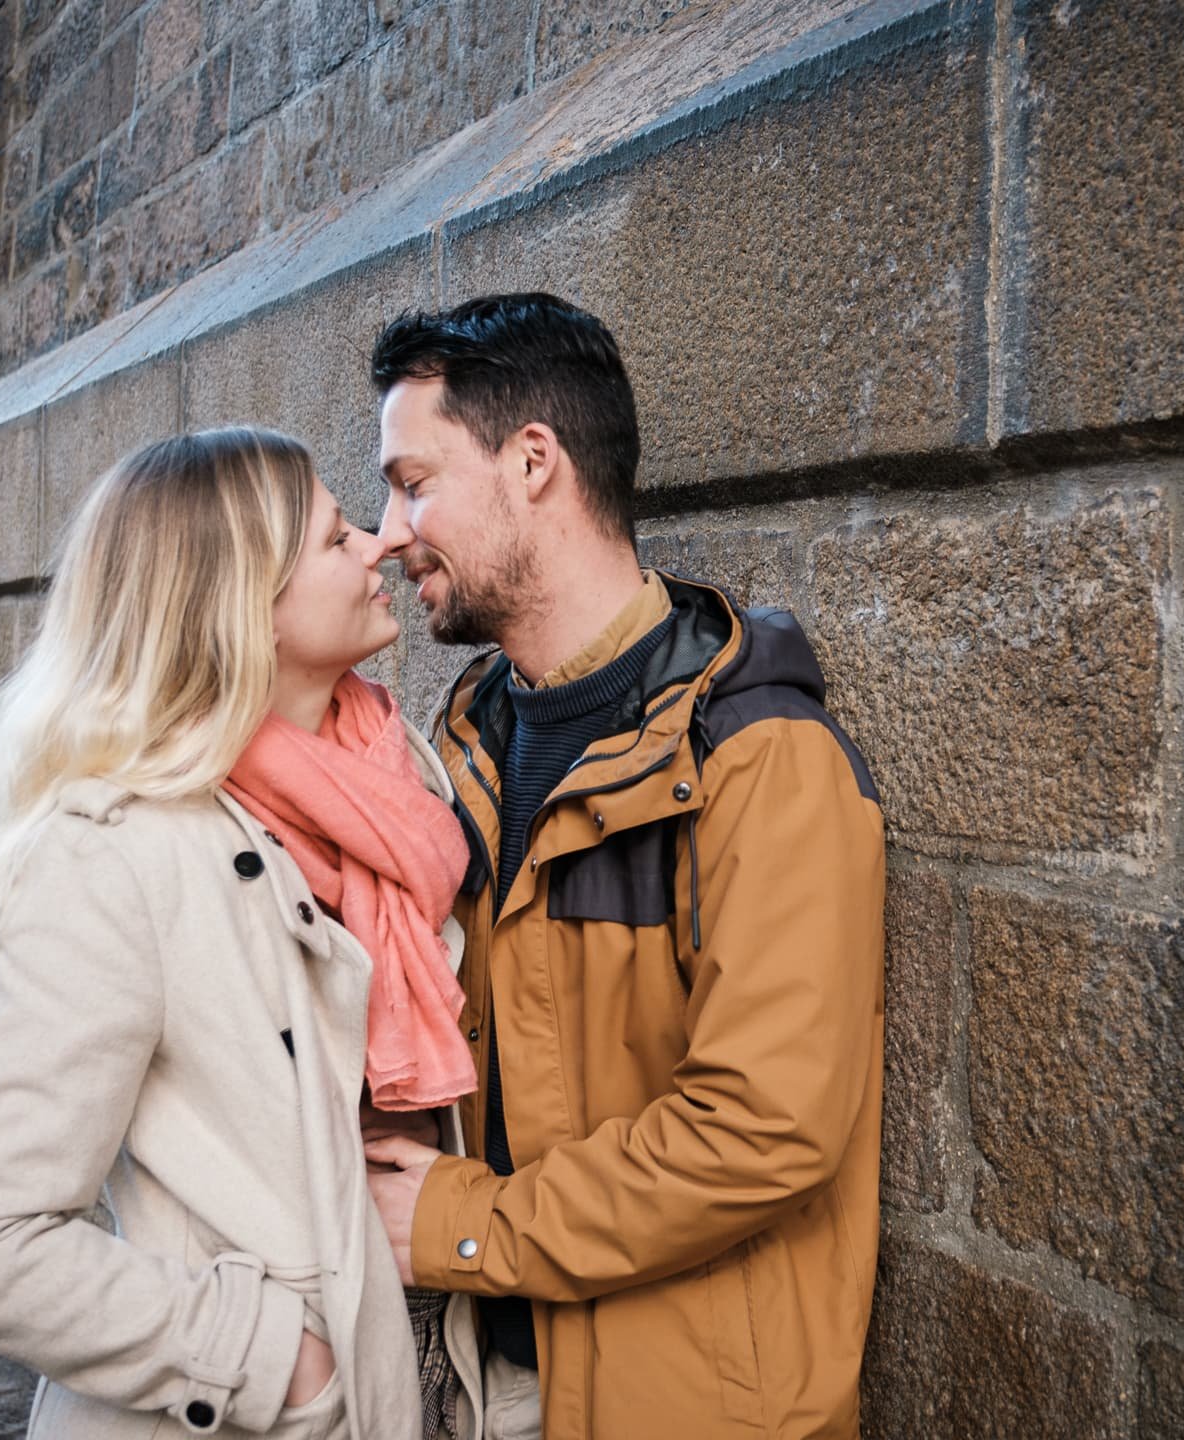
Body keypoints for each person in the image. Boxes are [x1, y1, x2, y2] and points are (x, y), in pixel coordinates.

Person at [359, 294, 887, 1439]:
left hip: (682, 1404)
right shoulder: (464, 742)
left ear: (534, 462)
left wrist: (459, 1225)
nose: (390, 533)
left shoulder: (758, 760)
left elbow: (764, 1127)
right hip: (483, 1375)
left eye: (414, 483)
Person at [0, 428, 482, 1438]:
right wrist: (275, 1364)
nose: (375, 546)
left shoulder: (395, 794)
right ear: (243, 601)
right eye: (332, 535)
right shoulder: (111, 857)